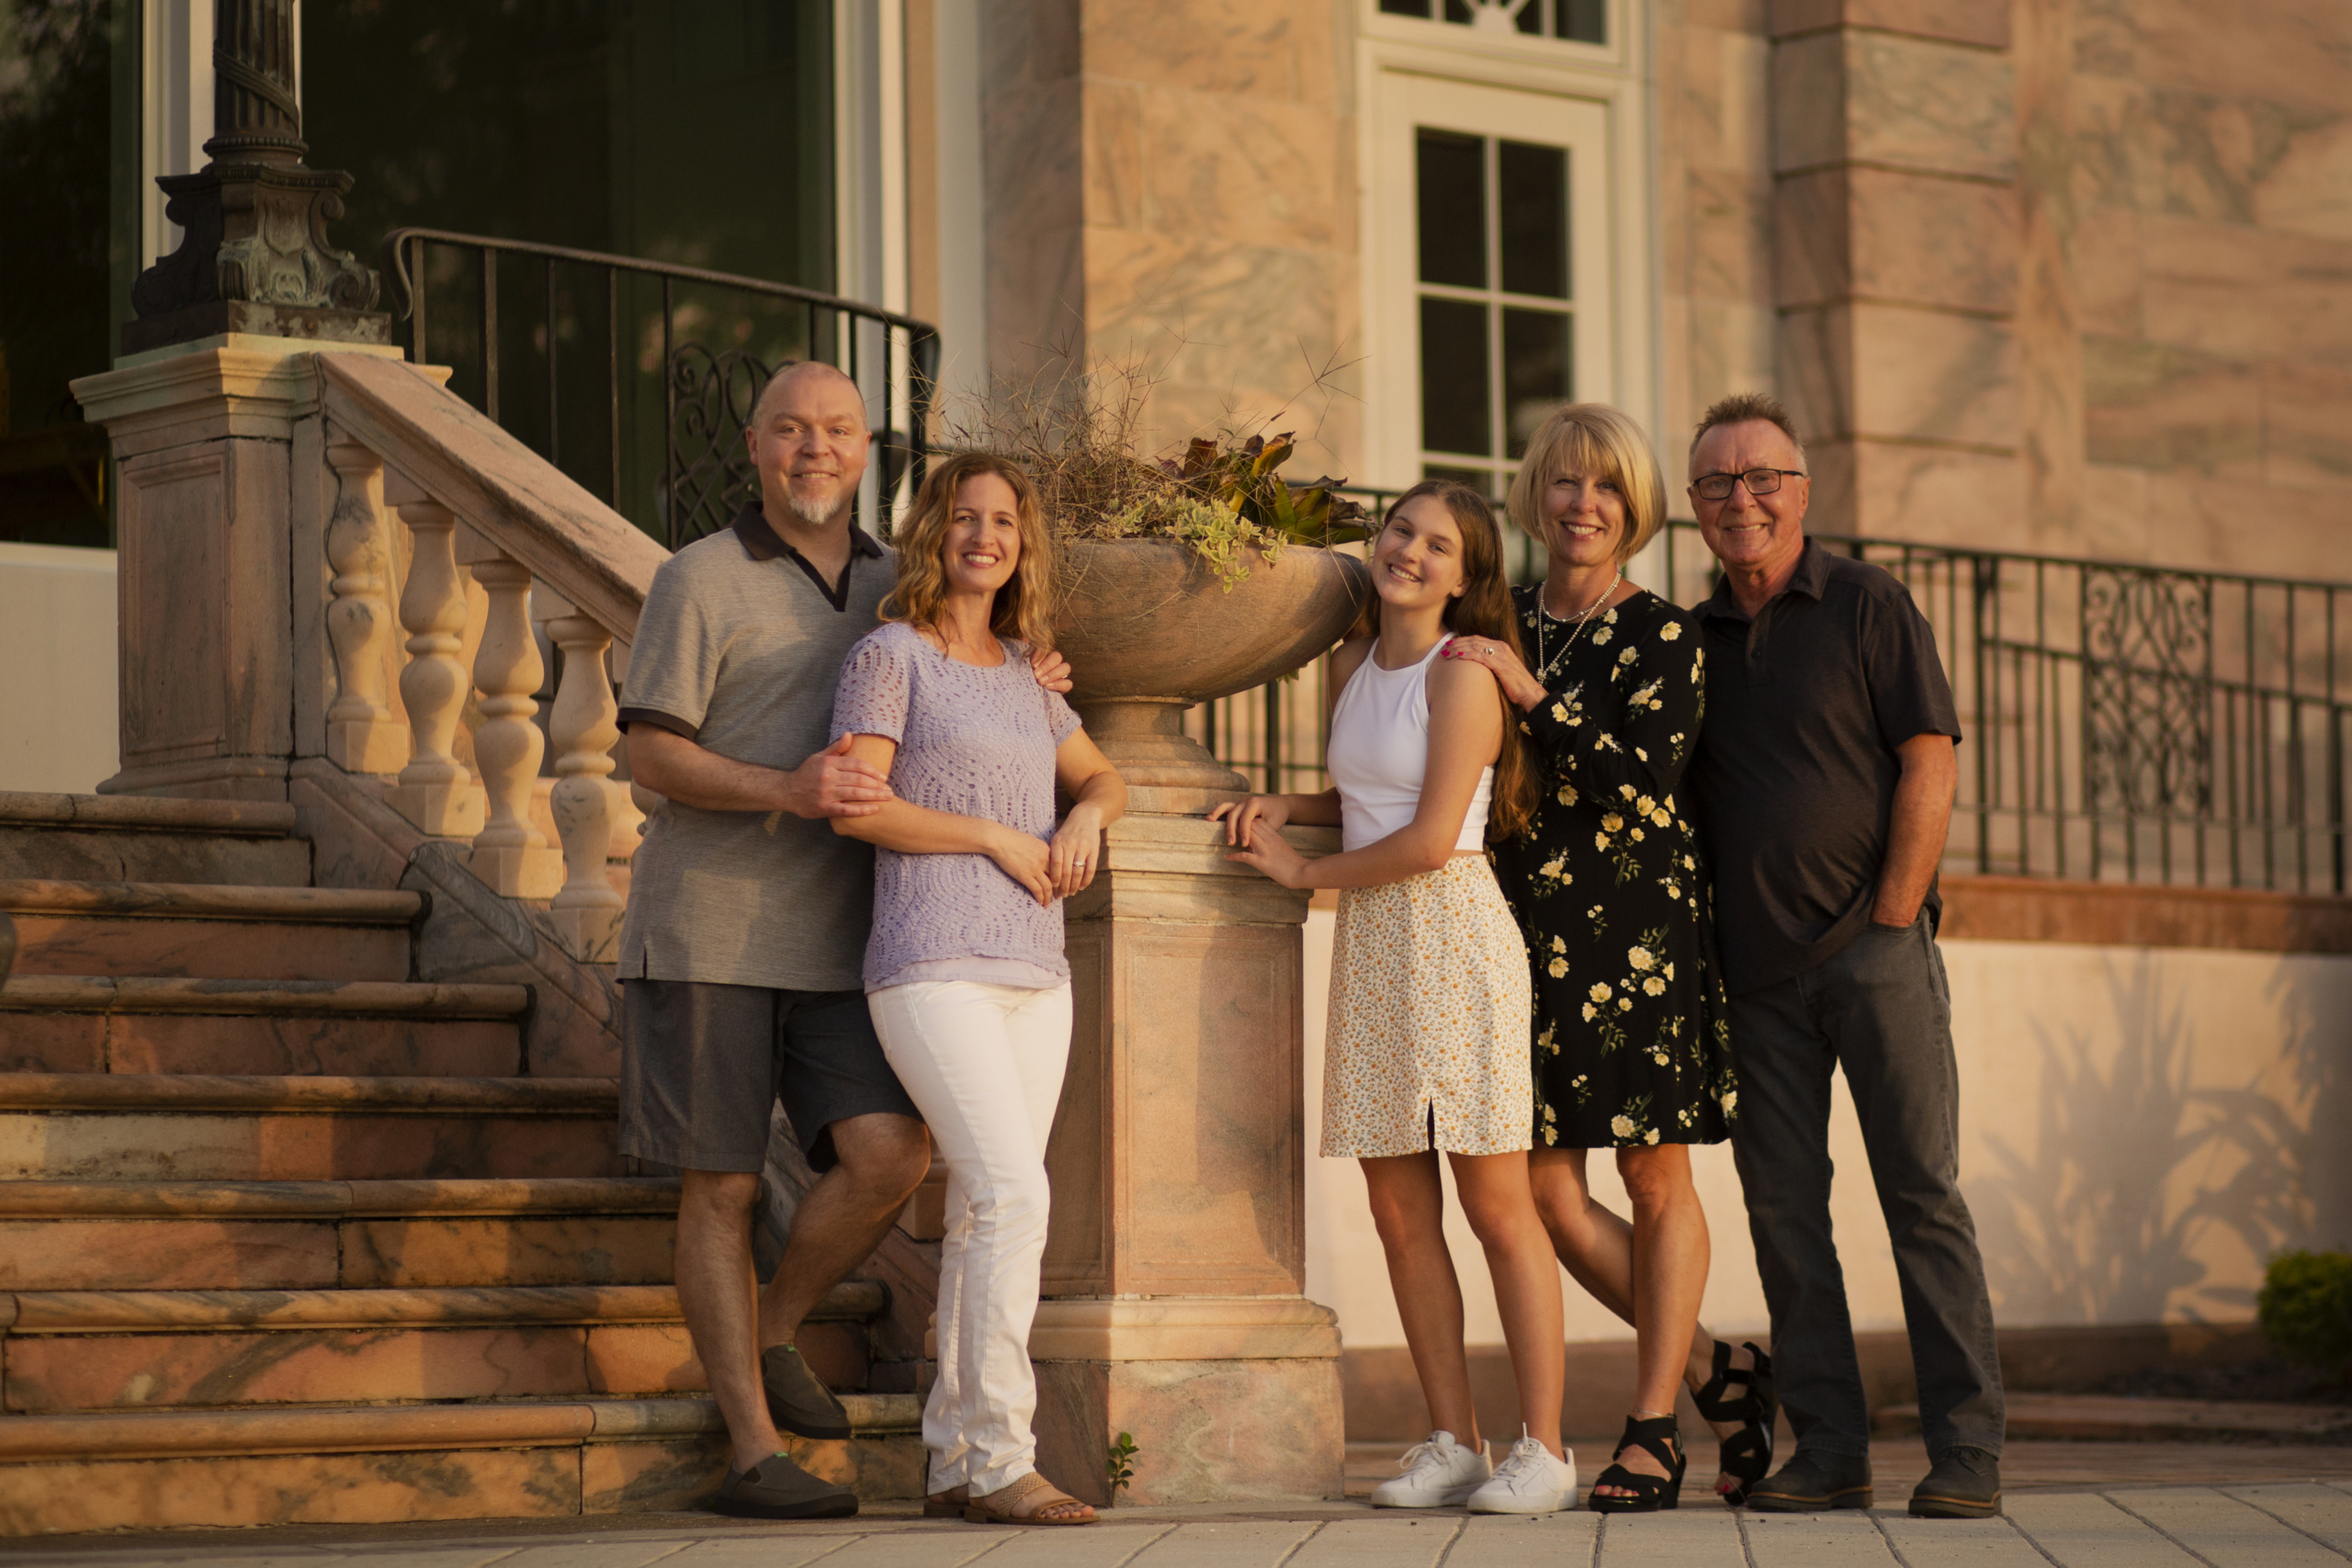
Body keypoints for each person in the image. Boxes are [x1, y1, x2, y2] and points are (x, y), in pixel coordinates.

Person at [616, 362, 1070, 1520]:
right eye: (788, 430)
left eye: (836, 431)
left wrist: (1027, 685)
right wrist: (789, 786)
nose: (813, 449)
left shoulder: (895, 582)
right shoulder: (698, 579)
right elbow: (649, 755)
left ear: (867, 451)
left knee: (891, 1158)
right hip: (712, 925)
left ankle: (770, 1330)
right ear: (756, 447)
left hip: (855, 937)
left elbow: (966, 680)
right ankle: (754, 1449)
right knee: (719, 1186)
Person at [1216, 479, 1577, 1516]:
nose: (1407, 551)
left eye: (1435, 544)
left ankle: (1544, 1450)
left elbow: (1426, 838)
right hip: (1375, 944)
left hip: (1453, 934)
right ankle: (1451, 1442)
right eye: (1398, 531)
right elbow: (1368, 799)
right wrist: (1288, 804)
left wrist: (1295, 874)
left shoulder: (1462, 673)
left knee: (1496, 1207)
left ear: (1466, 579)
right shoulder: (1353, 662)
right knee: (1397, 1210)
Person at [1682, 391, 2004, 1519]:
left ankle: (1966, 1451)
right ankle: (1829, 1451)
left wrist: (1890, 915)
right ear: (1694, 507)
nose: (1743, 497)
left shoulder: (1867, 600)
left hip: (1874, 955)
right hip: (1754, 981)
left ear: (1801, 491)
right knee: (1785, 1216)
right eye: (1718, 482)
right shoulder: (1692, 638)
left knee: (1921, 1197)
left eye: (1762, 475)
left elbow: (1929, 758)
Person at [1442, 403, 1766, 1512]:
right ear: (1537, 494)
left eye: (1610, 489)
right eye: (1568, 485)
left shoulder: (1666, 634)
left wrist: (1531, 692)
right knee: (1540, 1189)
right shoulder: (1495, 615)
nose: (1586, 506)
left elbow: (1639, 778)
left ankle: (1649, 1429)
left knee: (1651, 1175)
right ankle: (1723, 1369)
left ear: (1637, 508)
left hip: (1635, 931)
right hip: (1513, 929)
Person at [829, 452, 1126, 1528]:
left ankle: (956, 1458)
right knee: (1012, 1195)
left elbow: (1102, 774)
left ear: (1020, 543)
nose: (984, 535)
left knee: (987, 1210)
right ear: (932, 533)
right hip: (929, 959)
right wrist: (997, 836)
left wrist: (1086, 813)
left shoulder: (1024, 674)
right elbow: (858, 805)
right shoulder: (888, 655)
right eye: (964, 516)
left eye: (1003, 520)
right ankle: (1004, 1454)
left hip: (1035, 969)